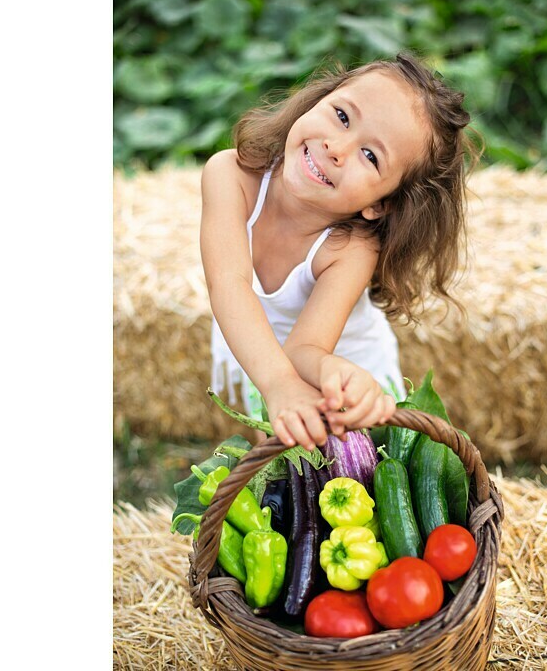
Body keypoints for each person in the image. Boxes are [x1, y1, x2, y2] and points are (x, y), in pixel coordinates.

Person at [201, 52, 479, 451]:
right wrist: (280, 385)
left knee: (353, 476)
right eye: (342, 116)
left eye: (370, 156)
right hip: (256, 351)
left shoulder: (351, 246)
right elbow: (229, 285)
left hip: (340, 371)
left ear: (381, 204)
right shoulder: (231, 175)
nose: (337, 147)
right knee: (278, 449)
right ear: (318, 99)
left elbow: (304, 350)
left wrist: (331, 374)